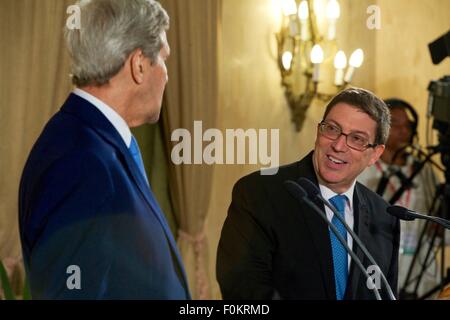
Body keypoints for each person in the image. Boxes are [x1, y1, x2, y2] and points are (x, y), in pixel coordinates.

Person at [18, 0, 190, 299]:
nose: (166, 74)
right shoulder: (81, 163)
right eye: (163, 59)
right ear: (138, 64)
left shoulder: (88, 142)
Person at [217, 88, 400, 300]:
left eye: (357, 139)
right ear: (318, 131)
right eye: (331, 129)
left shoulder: (385, 216)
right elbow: (243, 290)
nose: (338, 146)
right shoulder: (259, 192)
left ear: (375, 154)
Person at [357, 98, 440, 298]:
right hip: (377, 267)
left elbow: (438, 223)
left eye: (408, 126)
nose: (404, 131)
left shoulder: (425, 170)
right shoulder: (363, 169)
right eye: (397, 125)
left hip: (420, 271)